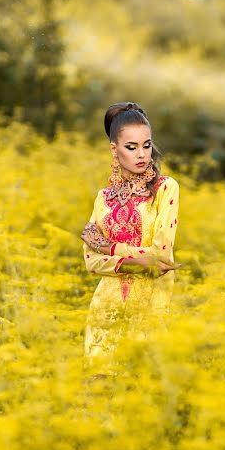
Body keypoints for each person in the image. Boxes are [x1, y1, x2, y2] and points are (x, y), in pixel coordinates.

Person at [80, 102, 182, 374]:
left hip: (149, 308)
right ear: (115, 149)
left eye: (147, 146)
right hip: (106, 310)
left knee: (140, 395)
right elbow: (90, 261)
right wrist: (139, 261)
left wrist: (109, 247)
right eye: (131, 147)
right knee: (98, 397)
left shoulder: (164, 189)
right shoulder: (103, 199)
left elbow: (160, 255)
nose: (142, 155)